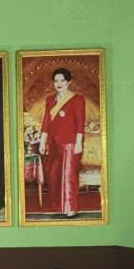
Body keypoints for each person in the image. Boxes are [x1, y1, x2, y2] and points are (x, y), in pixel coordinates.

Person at [39, 68, 86, 217]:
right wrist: (42, 142)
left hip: (70, 143)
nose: (59, 83)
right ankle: (59, 207)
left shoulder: (77, 99)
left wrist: (78, 143)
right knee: (54, 176)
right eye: (56, 81)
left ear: (69, 82)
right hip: (53, 142)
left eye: (62, 80)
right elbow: (46, 122)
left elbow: (80, 123)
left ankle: (70, 208)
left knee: (68, 176)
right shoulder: (50, 100)